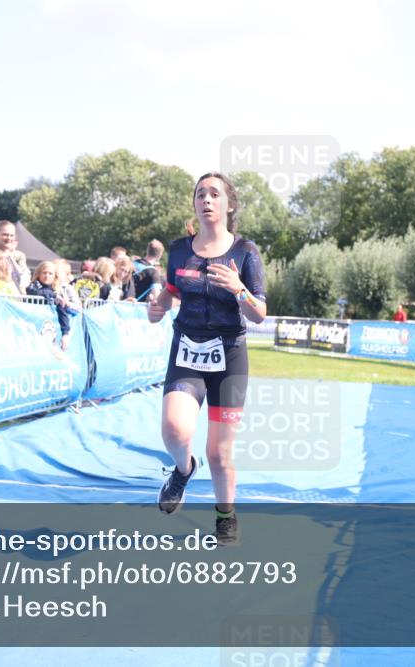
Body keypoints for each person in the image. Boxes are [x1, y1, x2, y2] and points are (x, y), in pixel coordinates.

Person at [147, 172, 267, 545]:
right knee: (175, 431)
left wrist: (239, 290)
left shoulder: (246, 251)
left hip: (229, 356)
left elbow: (259, 313)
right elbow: (170, 290)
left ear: (229, 204)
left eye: (215, 194)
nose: (207, 200)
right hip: (187, 349)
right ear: (195, 203)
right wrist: (158, 307)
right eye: (201, 194)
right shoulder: (180, 248)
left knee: (219, 452)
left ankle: (225, 517)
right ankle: (183, 471)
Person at [27, 260, 77, 350]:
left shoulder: (56, 290)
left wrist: (65, 334)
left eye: (50, 273)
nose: (47, 276)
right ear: (38, 274)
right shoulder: (34, 285)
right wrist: (54, 296)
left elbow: (63, 313)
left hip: (49, 329)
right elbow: (33, 291)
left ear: (55, 276)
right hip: (33, 328)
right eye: (44, 273)